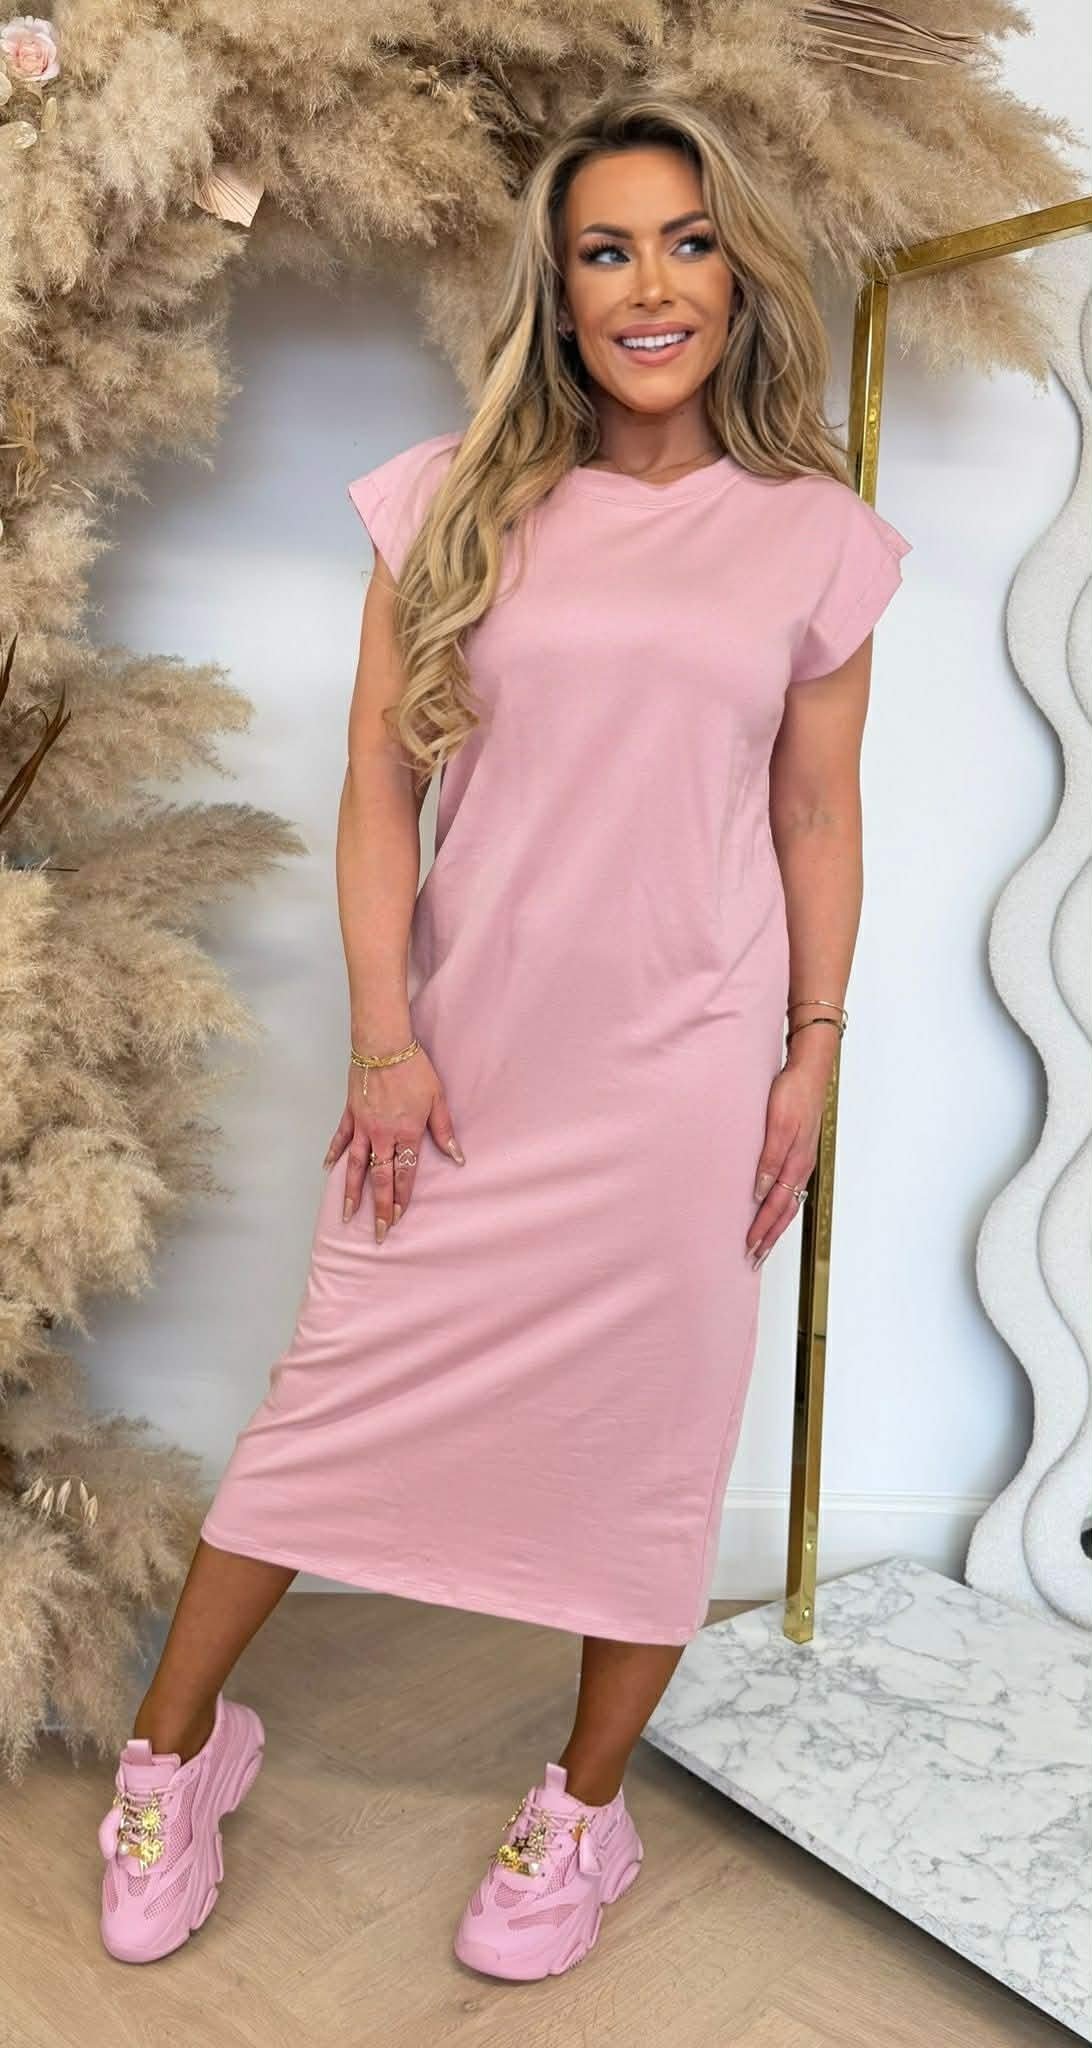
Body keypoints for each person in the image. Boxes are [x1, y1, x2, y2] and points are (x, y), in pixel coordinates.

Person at [96, 85, 911, 1980]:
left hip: (687, 1070)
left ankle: (580, 1812)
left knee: (655, 1441)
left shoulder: (817, 539)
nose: (651, 286)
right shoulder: (449, 496)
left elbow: (815, 810)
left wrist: (813, 1046)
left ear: (739, 276)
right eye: (606, 250)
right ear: (557, 288)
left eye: (686, 244)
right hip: (462, 1070)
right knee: (324, 1411)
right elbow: (379, 788)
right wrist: (387, 1039)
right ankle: (174, 1752)